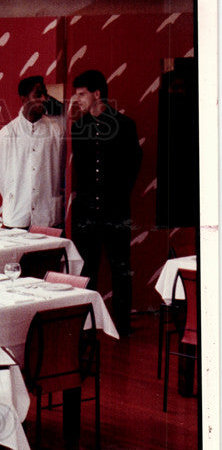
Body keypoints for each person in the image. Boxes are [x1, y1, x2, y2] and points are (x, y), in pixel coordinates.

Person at [70, 69, 143, 337]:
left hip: (116, 210)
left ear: (96, 94)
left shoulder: (126, 125)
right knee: (86, 270)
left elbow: (134, 164)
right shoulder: (78, 126)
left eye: (81, 94)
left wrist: (116, 195)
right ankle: (86, 325)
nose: (76, 100)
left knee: (121, 269)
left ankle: (122, 326)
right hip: (87, 213)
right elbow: (80, 168)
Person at [0, 75, 66, 229]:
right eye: (38, 94)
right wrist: (16, 194)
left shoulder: (56, 131)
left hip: (48, 215)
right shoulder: (6, 134)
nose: (44, 99)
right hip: (17, 215)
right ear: (24, 99)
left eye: (45, 94)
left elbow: (60, 167)